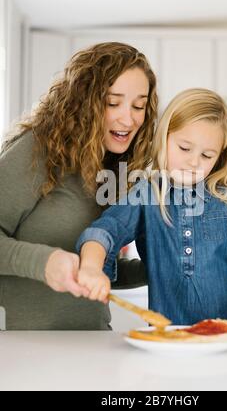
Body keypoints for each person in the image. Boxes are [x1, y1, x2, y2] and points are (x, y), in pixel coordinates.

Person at [76, 88, 227, 332]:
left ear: (219, 158)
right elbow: (107, 229)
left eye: (207, 155)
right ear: (164, 138)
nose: (194, 161)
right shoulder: (147, 194)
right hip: (171, 337)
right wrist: (90, 266)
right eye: (184, 148)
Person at [0, 42, 158, 330]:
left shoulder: (112, 167)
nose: (129, 118)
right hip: (21, 349)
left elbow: (94, 270)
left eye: (139, 105)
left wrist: (159, 268)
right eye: (113, 103)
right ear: (83, 102)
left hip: (92, 342)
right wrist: (43, 262)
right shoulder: (36, 151)